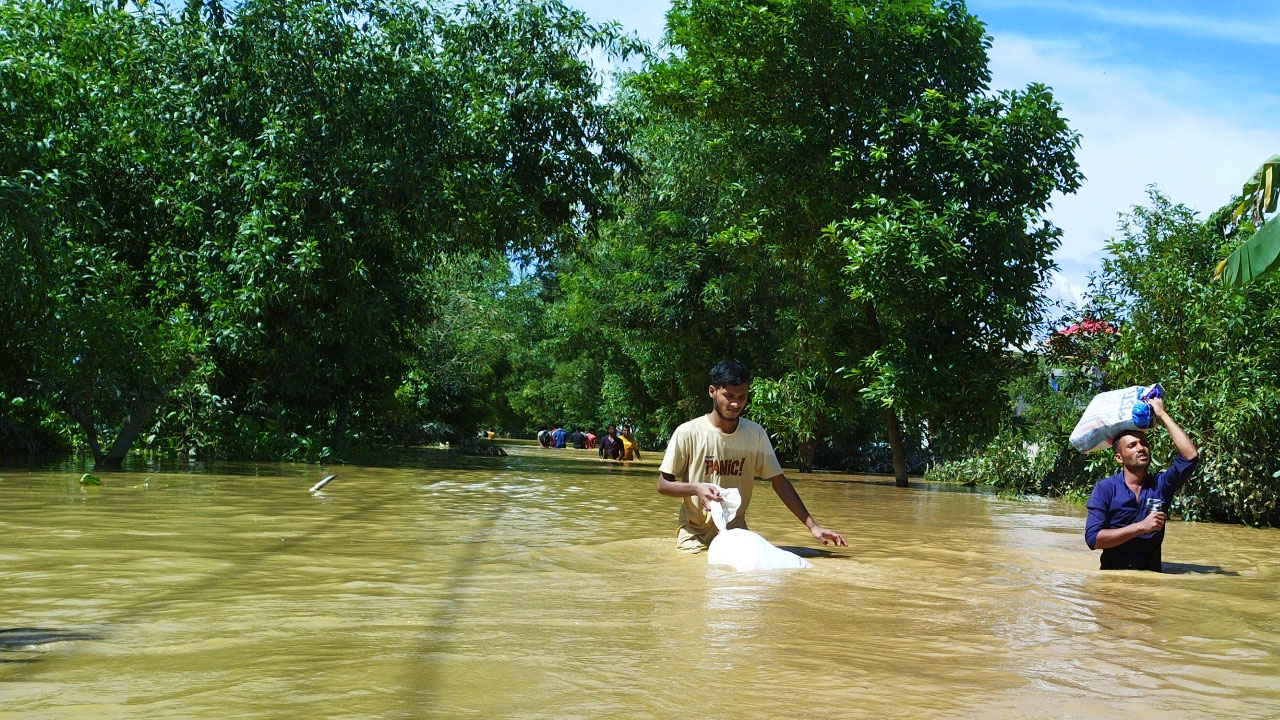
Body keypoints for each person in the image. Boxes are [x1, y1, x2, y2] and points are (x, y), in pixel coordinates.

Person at [657, 359, 847, 553]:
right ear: (712, 391)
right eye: (729, 395)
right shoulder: (688, 432)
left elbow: (779, 482)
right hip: (694, 536)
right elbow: (663, 485)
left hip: (736, 534)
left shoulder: (755, 434)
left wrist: (813, 526)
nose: (735, 403)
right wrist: (695, 488)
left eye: (742, 397)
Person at [1084, 396, 1198, 571]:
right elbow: (1093, 539)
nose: (1141, 448)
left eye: (1144, 443)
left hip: (1150, 585)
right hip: (1113, 585)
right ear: (1119, 458)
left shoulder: (1161, 485)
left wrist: (1162, 415)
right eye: (1132, 445)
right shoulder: (1105, 489)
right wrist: (1140, 527)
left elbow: (1190, 457)